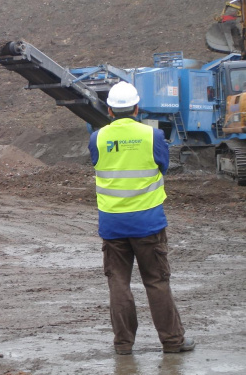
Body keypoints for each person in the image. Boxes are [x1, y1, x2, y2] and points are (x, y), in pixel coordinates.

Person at [88, 81, 195, 355]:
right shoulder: (153, 136)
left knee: (118, 283)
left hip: (112, 225)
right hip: (148, 223)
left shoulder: (97, 138)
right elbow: (163, 167)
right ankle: (173, 342)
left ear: (110, 110)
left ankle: (123, 345)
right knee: (157, 281)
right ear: (136, 108)